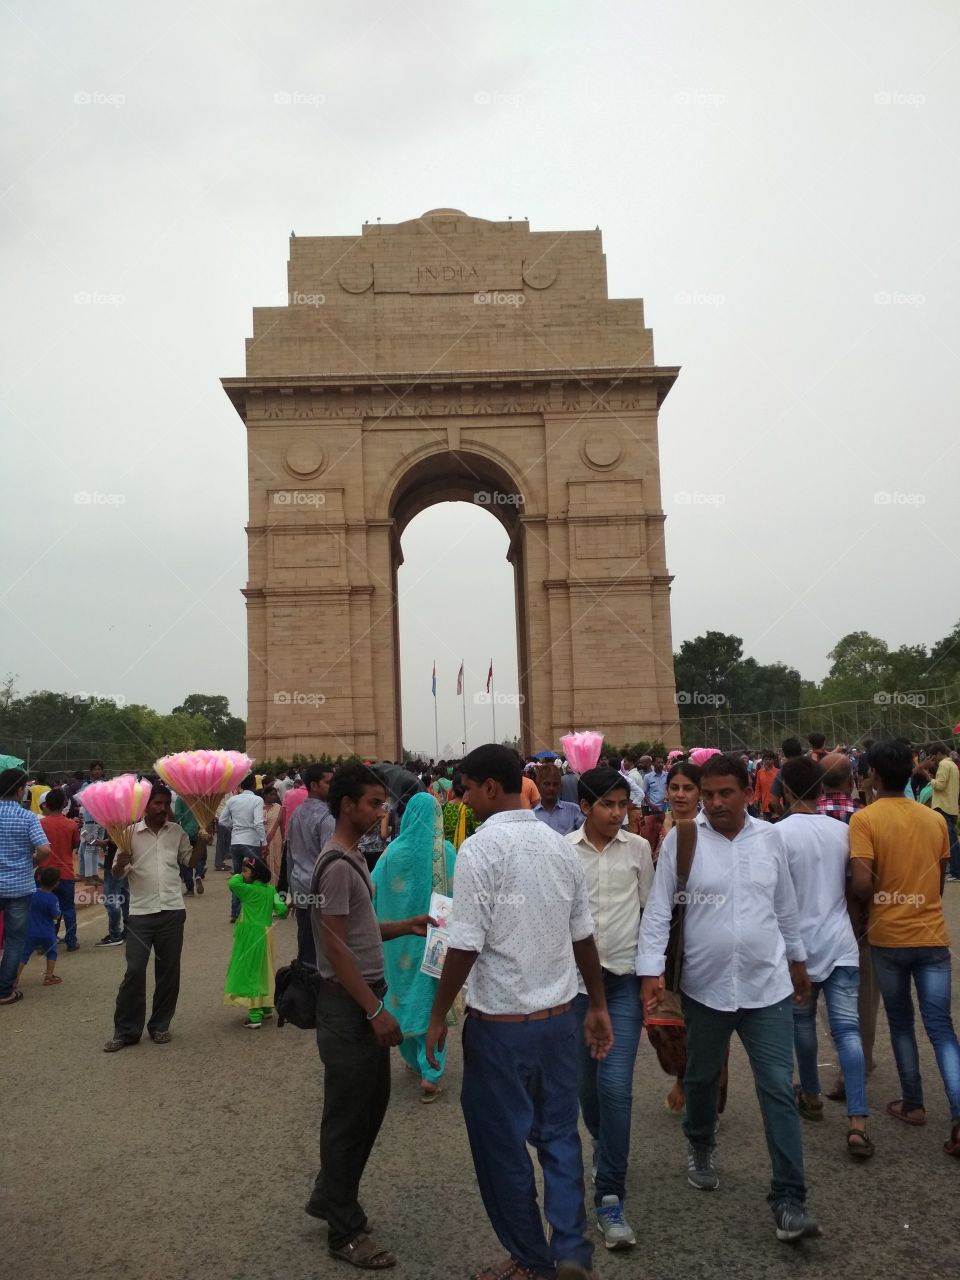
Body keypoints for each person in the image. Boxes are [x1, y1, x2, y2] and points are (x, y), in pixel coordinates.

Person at [424, 743, 613, 1280]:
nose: (461, 797)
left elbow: (464, 943)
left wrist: (439, 1015)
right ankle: (572, 1248)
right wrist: (596, 1004)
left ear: (488, 787)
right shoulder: (560, 848)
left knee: (501, 1148)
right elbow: (584, 937)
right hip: (558, 1020)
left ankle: (533, 1259)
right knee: (558, 1137)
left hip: (499, 1030)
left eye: (464, 788)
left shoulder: (482, 850)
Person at [637, 753, 821, 1244]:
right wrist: (650, 971)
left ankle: (789, 1199)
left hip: (768, 988)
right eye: (709, 794)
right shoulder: (684, 839)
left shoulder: (772, 840)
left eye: (726, 793)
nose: (715, 803)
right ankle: (699, 1142)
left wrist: (798, 961)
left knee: (778, 1089)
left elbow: (785, 906)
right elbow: (659, 911)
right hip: (705, 988)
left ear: (747, 792)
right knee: (699, 1079)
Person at [305, 764, 434, 1270]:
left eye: (384, 803)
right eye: (374, 803)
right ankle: (344, 1229)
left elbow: (356, 930)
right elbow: (335, 947)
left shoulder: (351, 855)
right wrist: (376, 1009)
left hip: (356, 999)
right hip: (349, 1005)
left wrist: (404, 925)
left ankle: (328, 1194)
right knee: (349, 1118)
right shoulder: (337, 863)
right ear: (346, 806)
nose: (382, 811)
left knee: (366, 1108)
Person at [849, 739, 960, 1157]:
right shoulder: (934, 821)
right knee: (942, 1029)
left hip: (888, 938)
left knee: (900, 1023)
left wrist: (879, 895)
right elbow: (935, 882)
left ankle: (913, 1103)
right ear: (912, 769)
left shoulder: (866, 820)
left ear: (873, 774)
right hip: (931, 937)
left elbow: (861, 884)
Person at [567, 766, 653, 1250]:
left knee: (616, 1086)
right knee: (588, 1089)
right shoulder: (562, 852)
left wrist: (653, 978)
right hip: (576, 990)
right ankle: (603, 1143)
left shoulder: (639, 850)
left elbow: (652, 915)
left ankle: (610, 1195)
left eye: (624, 804)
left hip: (621, 986)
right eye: (608, 805)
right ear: (584, 807)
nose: (619, 814)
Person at [777, 757, 873, 1158]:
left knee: (803, 1023)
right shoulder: (844, 832)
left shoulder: (775, 835)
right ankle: (857, 1121)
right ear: (822, 791)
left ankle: (812, 1095)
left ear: (783, 791)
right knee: (847, 1031)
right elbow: (858, 886)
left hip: (797, 947)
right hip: (841, 943)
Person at [371, 792, 456, 1101]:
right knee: (433, 999)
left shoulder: (391, 853)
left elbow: (372, 890)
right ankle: (431, 1072)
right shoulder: (444, 851)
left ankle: (413, 1057)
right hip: (434, 940)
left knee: (402, 995)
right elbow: (459, 891)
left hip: (398, 940)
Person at [103, 784, 199, 1051]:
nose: (163, 808)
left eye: (166, 804)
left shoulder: (176, 832)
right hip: (140, 913)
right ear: (145, 806)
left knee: (168, 972)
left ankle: (159, 1025)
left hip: (172, 909)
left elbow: (190, 863)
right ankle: (125, 1032)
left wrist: (202, 842)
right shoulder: (128, 834)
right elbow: (118, 875)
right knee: (134, 971)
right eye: (158, 804)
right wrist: (121, 863)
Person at [0, 768, 53, 1006]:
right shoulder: (27, 817)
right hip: (19, 887)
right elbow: (44, 850)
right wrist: (29, 862)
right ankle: (4, 991)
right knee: (14, 940)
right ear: (21, 790)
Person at [224, 854, 288, 1027]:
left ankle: (254, 1015)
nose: (242, 873)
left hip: (249, 936)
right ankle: (266, 1007)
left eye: (245, 871)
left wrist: (237, 875)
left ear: (255, 874)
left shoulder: (248, 890)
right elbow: (282, 911)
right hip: (266, 936)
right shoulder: (271, 890)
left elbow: (232, 884)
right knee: (263, 970)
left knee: (250, 972)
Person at [286, 762, 335, 965]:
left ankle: (303, 987)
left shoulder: (296, 815)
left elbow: (289, 856)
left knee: (305, 946)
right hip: (321, 892)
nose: (333, 786)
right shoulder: (328, 817)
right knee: (322, 951)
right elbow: (329, 860)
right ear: (314, 785)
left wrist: (291, 891)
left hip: (300, 887)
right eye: (328, 782)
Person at [219, 773, 266, 923]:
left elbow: (222, 820)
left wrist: (235, 827)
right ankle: (252, 911)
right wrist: (264, 842)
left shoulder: (233, 800)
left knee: (238, 877)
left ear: (240, 785)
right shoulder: (257, 800)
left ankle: (235, 911)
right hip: (251, 841)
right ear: (254, 784)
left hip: (236, 841)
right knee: (255, 876)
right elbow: (258, 823)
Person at [39, 789, 80, 952]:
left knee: (45, 909)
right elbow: (75, 845)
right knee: (68, 908)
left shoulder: (41, 824)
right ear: (64, 804)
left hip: (45, 872)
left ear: (46, 805)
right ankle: (71, 941)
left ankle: (45, 944)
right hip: (66, 871)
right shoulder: (72, 824)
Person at [17, 865, 63, 987]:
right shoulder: (53, 898)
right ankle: (49, 977)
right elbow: (56, 916)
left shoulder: (32, 893)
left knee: (24, 954)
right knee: (52, 952)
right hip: (47, 931)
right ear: (56, 883)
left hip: (30, 930)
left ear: (39, 879)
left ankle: (13, 979)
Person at [924, 742, 960, 881]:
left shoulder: (944, 765)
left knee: (950, 841)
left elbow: (940, 785)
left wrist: (929, 778)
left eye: (934, 756)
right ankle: (955, 869)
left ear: (939, 753)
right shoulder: (953, 765)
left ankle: (956, 872)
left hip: (943, 806)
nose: (934, 759)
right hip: (951, 806)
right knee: (952, 840)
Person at [94, 836, 129, 947]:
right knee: (125, 899)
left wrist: (105, 841)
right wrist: (104, 842)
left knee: (112, 901)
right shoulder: (129, 823)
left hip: (114, 867)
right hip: (123, 865)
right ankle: (128, 932)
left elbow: (116, 840)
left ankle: (115, 936)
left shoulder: (116, 823)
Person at [532, 762, 584, 836]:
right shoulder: (533, 816)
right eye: (547, 784)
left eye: (555, 784)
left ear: (560, 786)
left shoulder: (574, 811)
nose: (551, 788)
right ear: (538, 785)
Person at [173, 793, 207, 896]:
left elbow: (178, 816)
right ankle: (198, 875)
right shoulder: (200, 796)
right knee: (199, 856)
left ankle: (190, 889)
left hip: (186, 831)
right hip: (200, 830)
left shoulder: (181, 798)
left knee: (186, 861)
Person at [441, 772, 478, 850]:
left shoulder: (446, 806)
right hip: (467, 850)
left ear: (453, 789)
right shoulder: (472, 808)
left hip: (448, 851)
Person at [641, 755, 667, 847]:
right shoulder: (648, 777)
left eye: (662, 763)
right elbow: (643, 793)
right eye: (658, 762)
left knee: (664, 832)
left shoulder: (667, 775)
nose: (660, 764)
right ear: (653, 764)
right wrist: (650, 804)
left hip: (665, 809)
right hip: (653, 810)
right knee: (653, 832)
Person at [261, 785, 284, 882]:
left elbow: (282, 824)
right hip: (263, 837)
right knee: (265, 861)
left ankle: (276, 884)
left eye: (275, 795)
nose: (273, 797)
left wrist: (283, 838)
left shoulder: (278, 807)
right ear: (265, 795)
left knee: (276, 861)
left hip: (276, 837)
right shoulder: (259, 807)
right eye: (271, 795)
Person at [753, 751, 779, 819]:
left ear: (774, 760)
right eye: (766, 759)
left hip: (777, 805)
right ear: (763, 760)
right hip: (765, 805)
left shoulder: (778, 772)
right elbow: (757, 787)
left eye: (770, 759)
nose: (767, 761)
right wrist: (756, 798)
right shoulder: (760, 772)